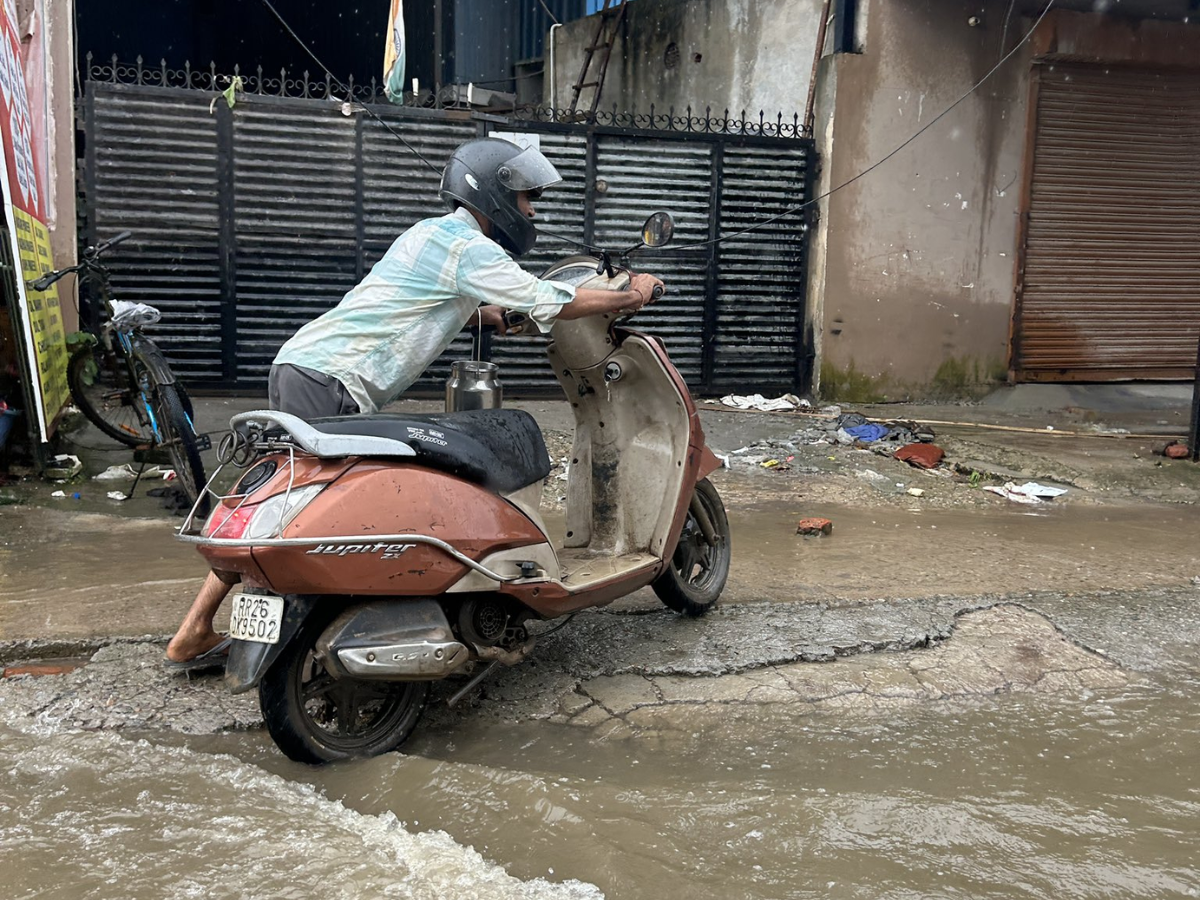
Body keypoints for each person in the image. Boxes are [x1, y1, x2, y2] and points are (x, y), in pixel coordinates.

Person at [165, 136, 664, 669]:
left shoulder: (432, 235)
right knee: (310, 506)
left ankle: (194, 631)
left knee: (281, 496)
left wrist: (485, 316)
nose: (531, 210)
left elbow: (409, 300)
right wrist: (631, 294)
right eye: (525, 199)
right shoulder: (470, 248)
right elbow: (546, 298)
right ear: (494, 195)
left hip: (303, 364)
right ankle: (324, 626)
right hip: (330, 377)